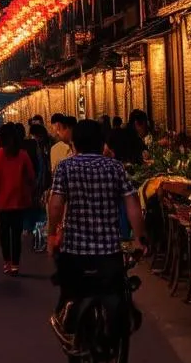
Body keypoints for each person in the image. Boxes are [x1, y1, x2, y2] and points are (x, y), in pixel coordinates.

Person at [47, 118, 147, 333]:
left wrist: (51, 235)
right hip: (109, 250)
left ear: (74, 143)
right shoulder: (115, 167)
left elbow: (55, 205)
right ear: (102, 142)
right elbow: (132, 205)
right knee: (115, 290)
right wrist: (139, 238)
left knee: (69, 291)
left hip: (75, 249)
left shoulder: (66, 167)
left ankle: (67, 323)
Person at [0, 122, 34, 275]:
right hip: (19, 201)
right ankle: (15, 264)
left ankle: (6, 262)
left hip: (0, 202)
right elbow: (31, 177)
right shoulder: (23, 155)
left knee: (4, 234)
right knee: (16, 234)